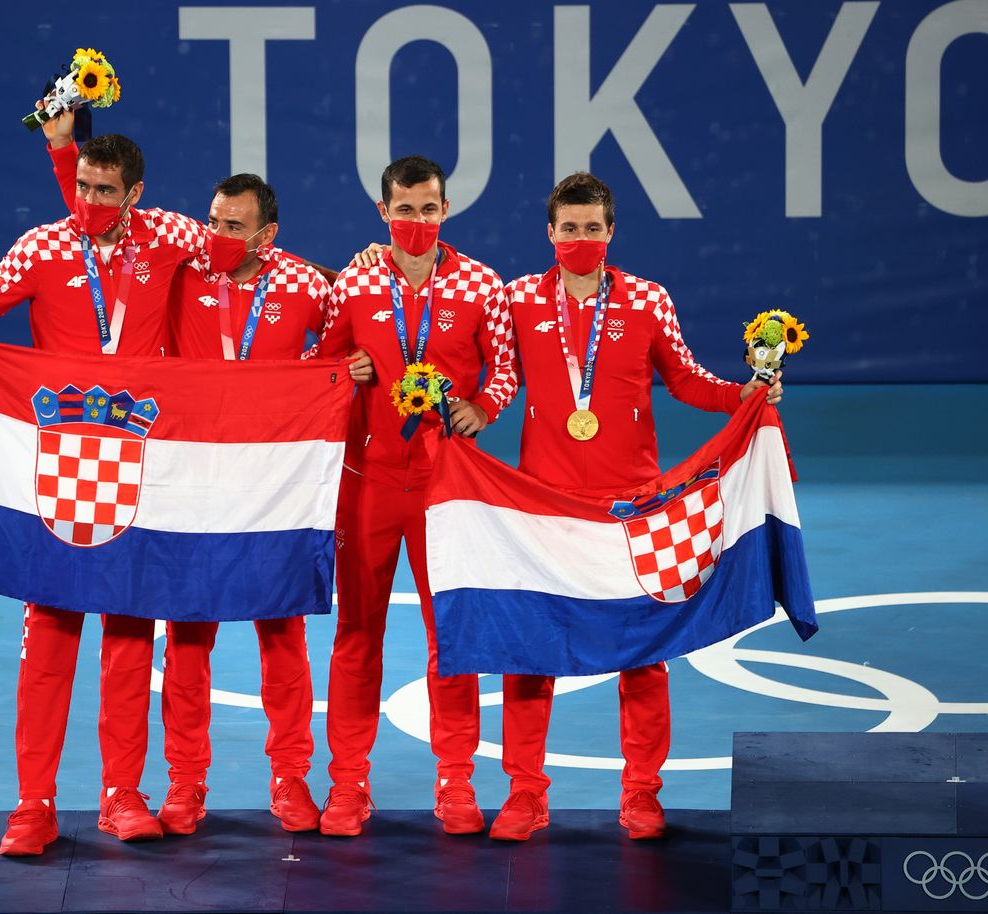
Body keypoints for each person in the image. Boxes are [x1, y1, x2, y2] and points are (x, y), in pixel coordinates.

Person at [490, 172, 783, 842]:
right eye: (569, 228)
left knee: (643, 654)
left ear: (611, 232)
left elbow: (684, 378)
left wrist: (742, 396)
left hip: (634, 508)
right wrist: (470, 412)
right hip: (545, 508)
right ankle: (525, 793)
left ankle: (642, 793)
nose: (581, 238)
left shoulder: (648, 299)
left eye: (592, 228)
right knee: (531, 654)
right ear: (550, 233)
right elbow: (503, 379)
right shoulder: (516, 298)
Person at [0, 128, 208, 855]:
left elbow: (239, 250)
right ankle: (33, 804)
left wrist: (359, 265)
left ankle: (121, 794)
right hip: (57, 473)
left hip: (134, 470)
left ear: (134, 194)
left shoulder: (167, 238)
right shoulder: (40, 247)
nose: (89, 201)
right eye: (82, 186)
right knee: (50, 642)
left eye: (104, 190)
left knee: (129, 639)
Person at [154, 173, 373, 835]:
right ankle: (185, 781)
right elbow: (108, 228)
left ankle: (289, 777)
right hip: (192, 480)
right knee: (187, 637)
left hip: (274, 484)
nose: (217, 236)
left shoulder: (307, 286)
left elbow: (359, 322)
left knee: (282, 635)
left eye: (234, 226)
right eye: (213, 221)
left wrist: (372, 268)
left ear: (267, 235)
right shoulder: (179, 273)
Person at [314, 155, 518, 837]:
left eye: (429, 209)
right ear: (383, 213)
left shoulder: (482, 284)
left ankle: (456, 780)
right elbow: (318, 362)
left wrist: (483, 407)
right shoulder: (354, 281)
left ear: (446, 209)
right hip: (367, 484)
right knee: (356, 634)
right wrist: (342, 368)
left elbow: (505, 368)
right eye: (404, 210)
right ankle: (348, 783)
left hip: (448, 487)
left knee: (452, 635)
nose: (417, 221)